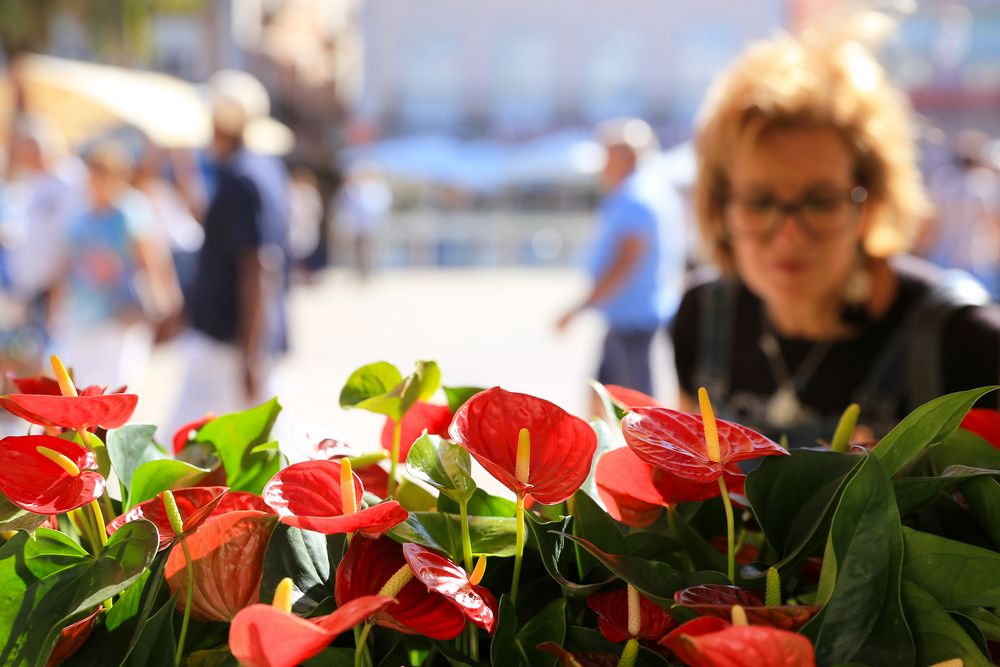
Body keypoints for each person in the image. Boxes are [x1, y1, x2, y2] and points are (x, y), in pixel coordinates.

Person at [671, 15, 1000, 447]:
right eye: (760, 202)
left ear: (873, 202)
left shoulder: (966, 342)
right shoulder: (701, 316)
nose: (789, 234)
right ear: (719, 206)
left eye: (821, 201)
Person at [169, 72, 290, 429]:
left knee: (181, 447)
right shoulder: (266, 169)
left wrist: (250, 355)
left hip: (227, 341)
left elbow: (257, 265)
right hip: (246, 339)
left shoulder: (240, 177)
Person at [558, 117, 686, 397]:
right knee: (603, 396)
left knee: (636, 405)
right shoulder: (649, 190)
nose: (602, 166)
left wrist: (578, 308)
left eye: (607, 156)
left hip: (634, 319)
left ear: (624, 158)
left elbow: (625, 262)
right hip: (630, 315)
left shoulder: (636, 196)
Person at [50, 140, 181, 388]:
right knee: (80, 384)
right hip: (83, 312)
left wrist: (163, 301)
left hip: (121, 313)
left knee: (115, 385)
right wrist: (57, 299)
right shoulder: (82, 214)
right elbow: (69, 260)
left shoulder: (131, 210)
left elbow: (150, 258)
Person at [919, 130, 1000, 300]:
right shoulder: (981, 184)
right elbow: (993, 225)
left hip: (942, 260)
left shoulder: (943, 182)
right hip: (974, 263)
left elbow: (931, 224)